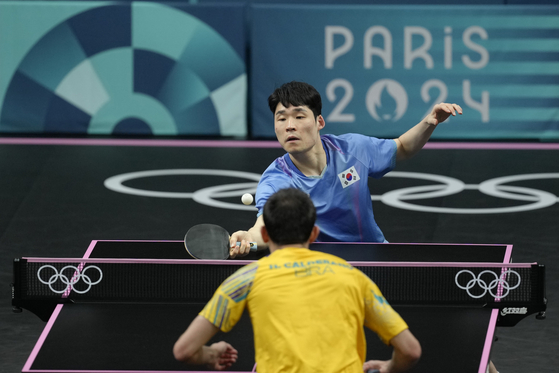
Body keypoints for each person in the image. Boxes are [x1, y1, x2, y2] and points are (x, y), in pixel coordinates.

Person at [174, 188, 421, 373]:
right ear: (314, 233)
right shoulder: (353, 277)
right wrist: (388, 367)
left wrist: (211, 354)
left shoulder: (245, 279)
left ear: (264, 234)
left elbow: (184, 350)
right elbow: (410, 350)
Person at [230, 81, 462, 257]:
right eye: (281, 119)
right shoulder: (276, 179)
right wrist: (247, 238)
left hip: (376, 257)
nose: (290, 126)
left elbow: (401, 147)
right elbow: (266, 226)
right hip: (325, 271)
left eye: (299, 116)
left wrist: (429, 122)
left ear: (319, 122)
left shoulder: (352, 149)